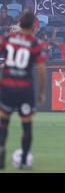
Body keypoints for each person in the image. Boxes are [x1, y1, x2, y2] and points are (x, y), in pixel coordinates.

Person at [0, 12, 47, 169]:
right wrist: (41, 92)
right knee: (26, 125)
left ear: (20, 24)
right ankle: (24, 160)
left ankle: (1, 153)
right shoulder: (36, 44)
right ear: (34, 26)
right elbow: (41, 71)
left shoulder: (7, 39)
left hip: (6, 87)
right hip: (24, 90)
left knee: (3, 122)